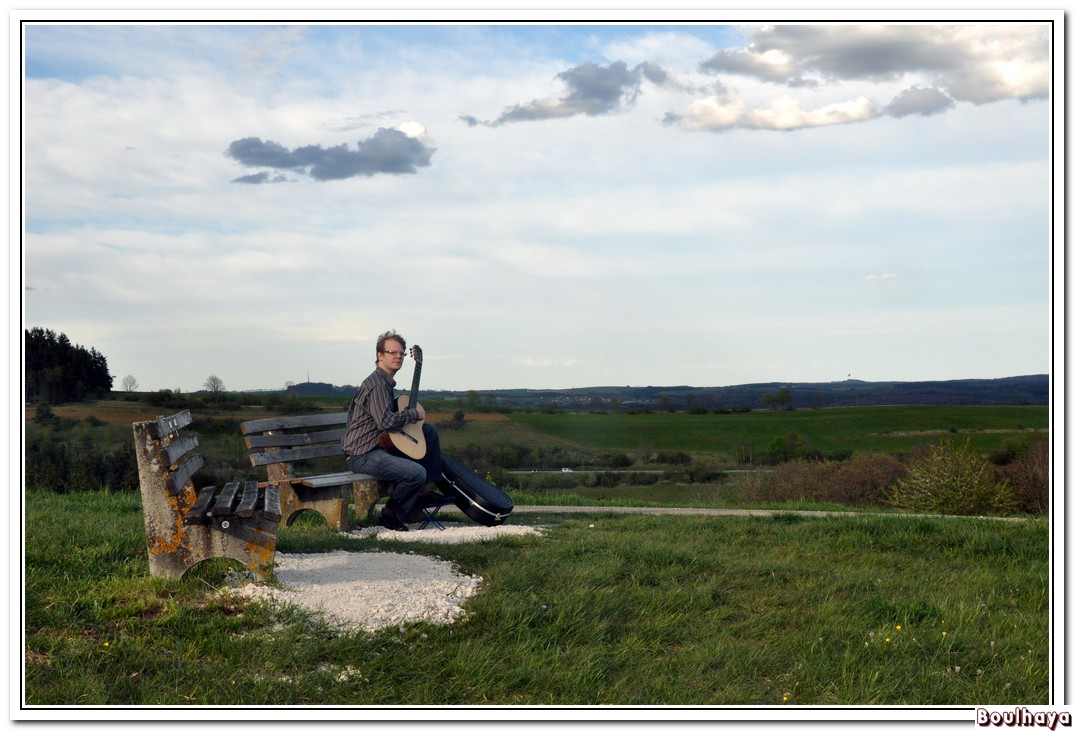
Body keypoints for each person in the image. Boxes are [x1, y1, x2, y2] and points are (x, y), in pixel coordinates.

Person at [342, 330, 447, 531]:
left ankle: (425, 490)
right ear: (380, 356)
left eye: (401, 353)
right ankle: (390, 513)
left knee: (429, 431)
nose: (398, 356)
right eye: (392, 352)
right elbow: (386, 423)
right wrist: (413, 414)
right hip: (362, 454)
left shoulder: (385, 382)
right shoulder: (378, 385)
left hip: (379, 448)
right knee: (416, 473)